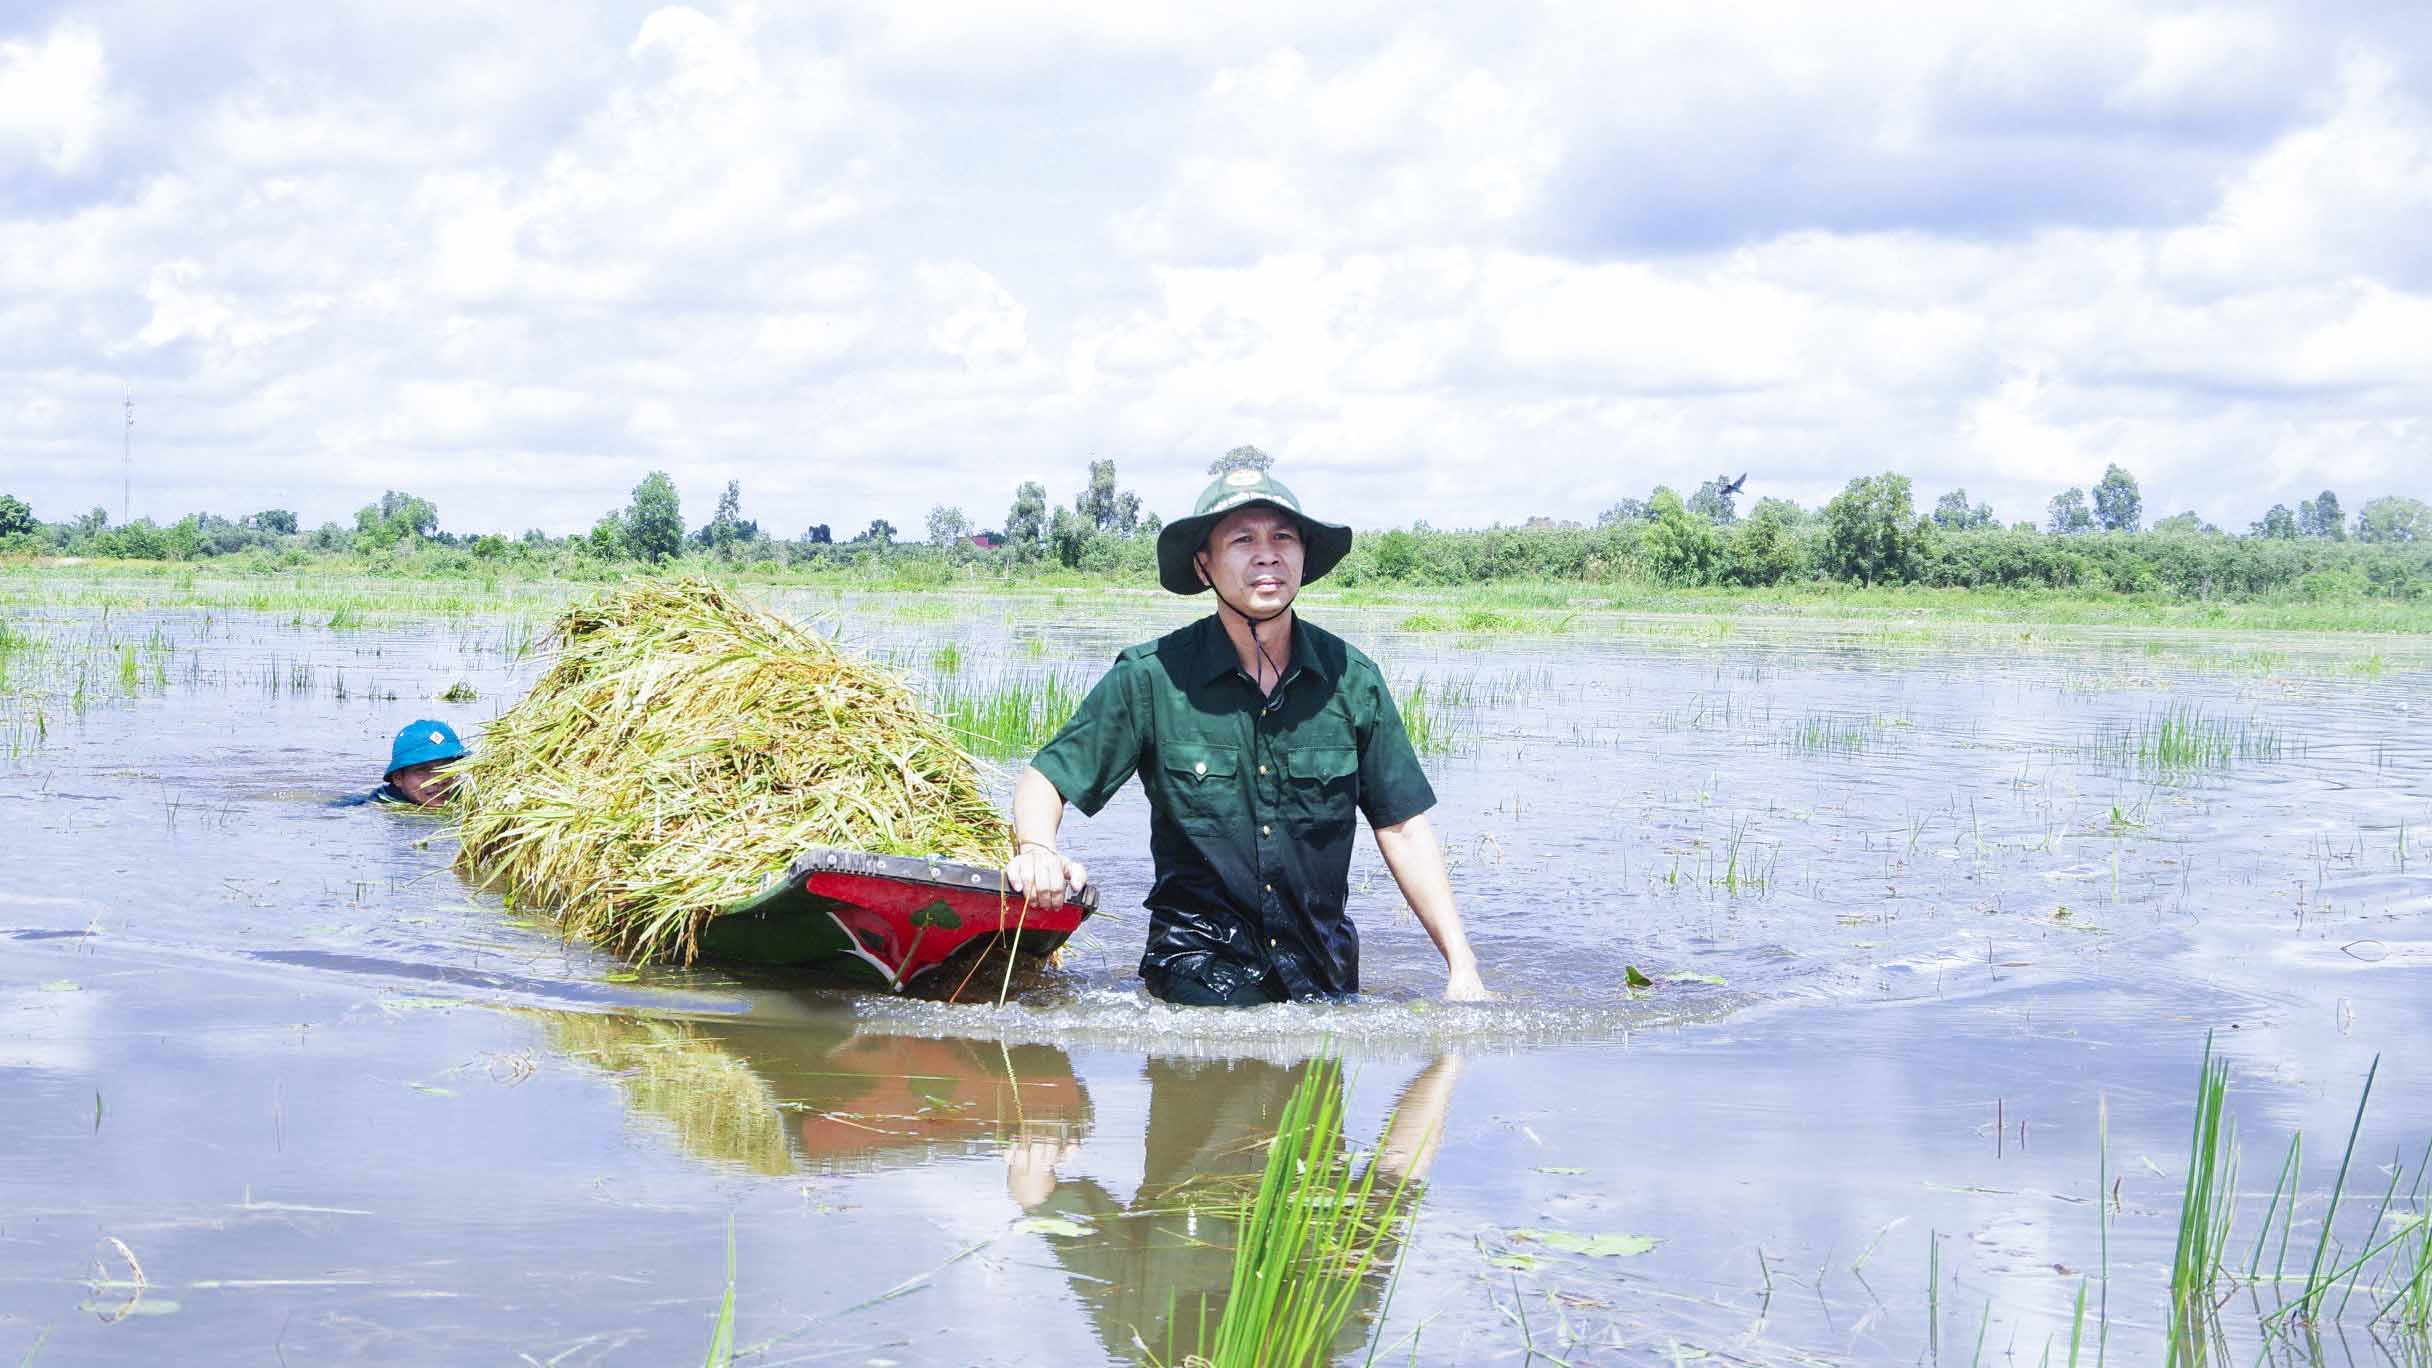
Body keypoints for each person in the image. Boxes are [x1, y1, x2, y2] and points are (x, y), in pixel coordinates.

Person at [1004, 468, 1488, 1004]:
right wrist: (1037, 850)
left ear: (1303, 557)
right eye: (1242, 539)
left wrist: (1462, 967)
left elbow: (1402, 827)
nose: (1267, 554)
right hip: (1196, 961)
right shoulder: (1152, 677)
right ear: (1204, 564)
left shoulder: (1351, 679)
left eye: (1283, 537)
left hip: (1321, 969)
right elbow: (1046, 777)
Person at [336, 719, 466, 808]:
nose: (440, 779)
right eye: (423, 770)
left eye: (448, 767)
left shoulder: (471, 798)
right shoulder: (377, 809)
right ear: (398, 778)